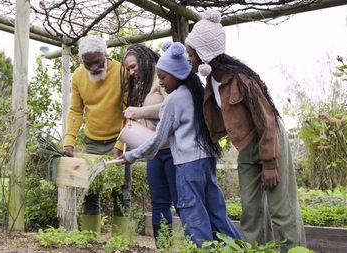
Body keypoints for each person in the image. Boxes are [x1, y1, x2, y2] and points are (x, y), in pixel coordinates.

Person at [184, 9, 306, 252]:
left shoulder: (241, 79)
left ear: (204, 52)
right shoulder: (211, 82)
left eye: (190, 52)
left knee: (282, 211)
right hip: (247, 149)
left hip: (270, 142)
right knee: (251, 212)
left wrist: (270, 163)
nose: (188, 57)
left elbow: (267, 121)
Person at [119, 42, 241, 246]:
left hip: (188, 165)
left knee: (193, 216)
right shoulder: (197, 93)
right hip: (206, 161)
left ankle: (204, 250)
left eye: (163, 77)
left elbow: (157, 140)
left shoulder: (173, 101)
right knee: (216, 213)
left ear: (176, 75)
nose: (161, 82)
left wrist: (131, 155)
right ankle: (239, 249)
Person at [63, 35, 130, 237]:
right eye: (87, 62)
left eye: (97, 61)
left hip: (119, 141)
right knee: (90, 193)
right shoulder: (77, 76)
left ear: (105, 54)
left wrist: (120, 144)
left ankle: (121, 241)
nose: (92, 67)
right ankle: (89, 240)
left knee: (121, 193)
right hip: (92, 141)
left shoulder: (122, 72)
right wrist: (69, 141)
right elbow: (75, 111)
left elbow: (130, 111)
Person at [121, 44, 177, 245]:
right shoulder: (141, 84)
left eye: (133, 66)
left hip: (173, 150)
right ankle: (164, 247)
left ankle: (193, 247)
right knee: (158, 203)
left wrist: (140, 112)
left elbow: (172, 106)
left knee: (181, 203)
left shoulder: (162, 78)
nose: (131, 72)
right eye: (128, 69)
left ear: (145, 60)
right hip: (154, 153)